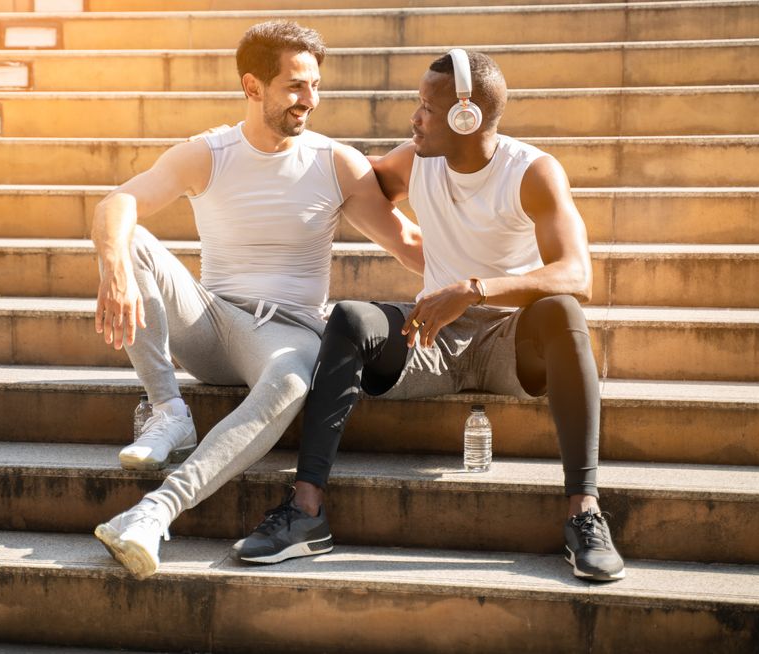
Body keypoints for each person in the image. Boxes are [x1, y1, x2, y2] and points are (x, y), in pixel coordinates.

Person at [233, 49, 626, 582]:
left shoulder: (531, 171)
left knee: (562, 312)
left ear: (468, 117)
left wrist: (475, 289)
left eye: (426, 108)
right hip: (430, 339)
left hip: (513, 342)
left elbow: (576, 274)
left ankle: (585, 512)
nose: (414, 118)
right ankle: (306, 512)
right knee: (349, 316)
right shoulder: (415, 160)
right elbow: (356, 186)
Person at [90, 20, 423, 579]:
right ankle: (169, 410)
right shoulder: (210, 152)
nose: (310, 100)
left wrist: (494, 282)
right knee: (135, 239)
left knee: (293, 378)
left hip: (288, 334)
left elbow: (407, 242)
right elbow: (118, 201)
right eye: (296, 86)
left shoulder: (333, 162)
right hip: (211, 322)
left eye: (315, 85)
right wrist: (114, 265)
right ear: (253, 87)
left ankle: (152, 514)